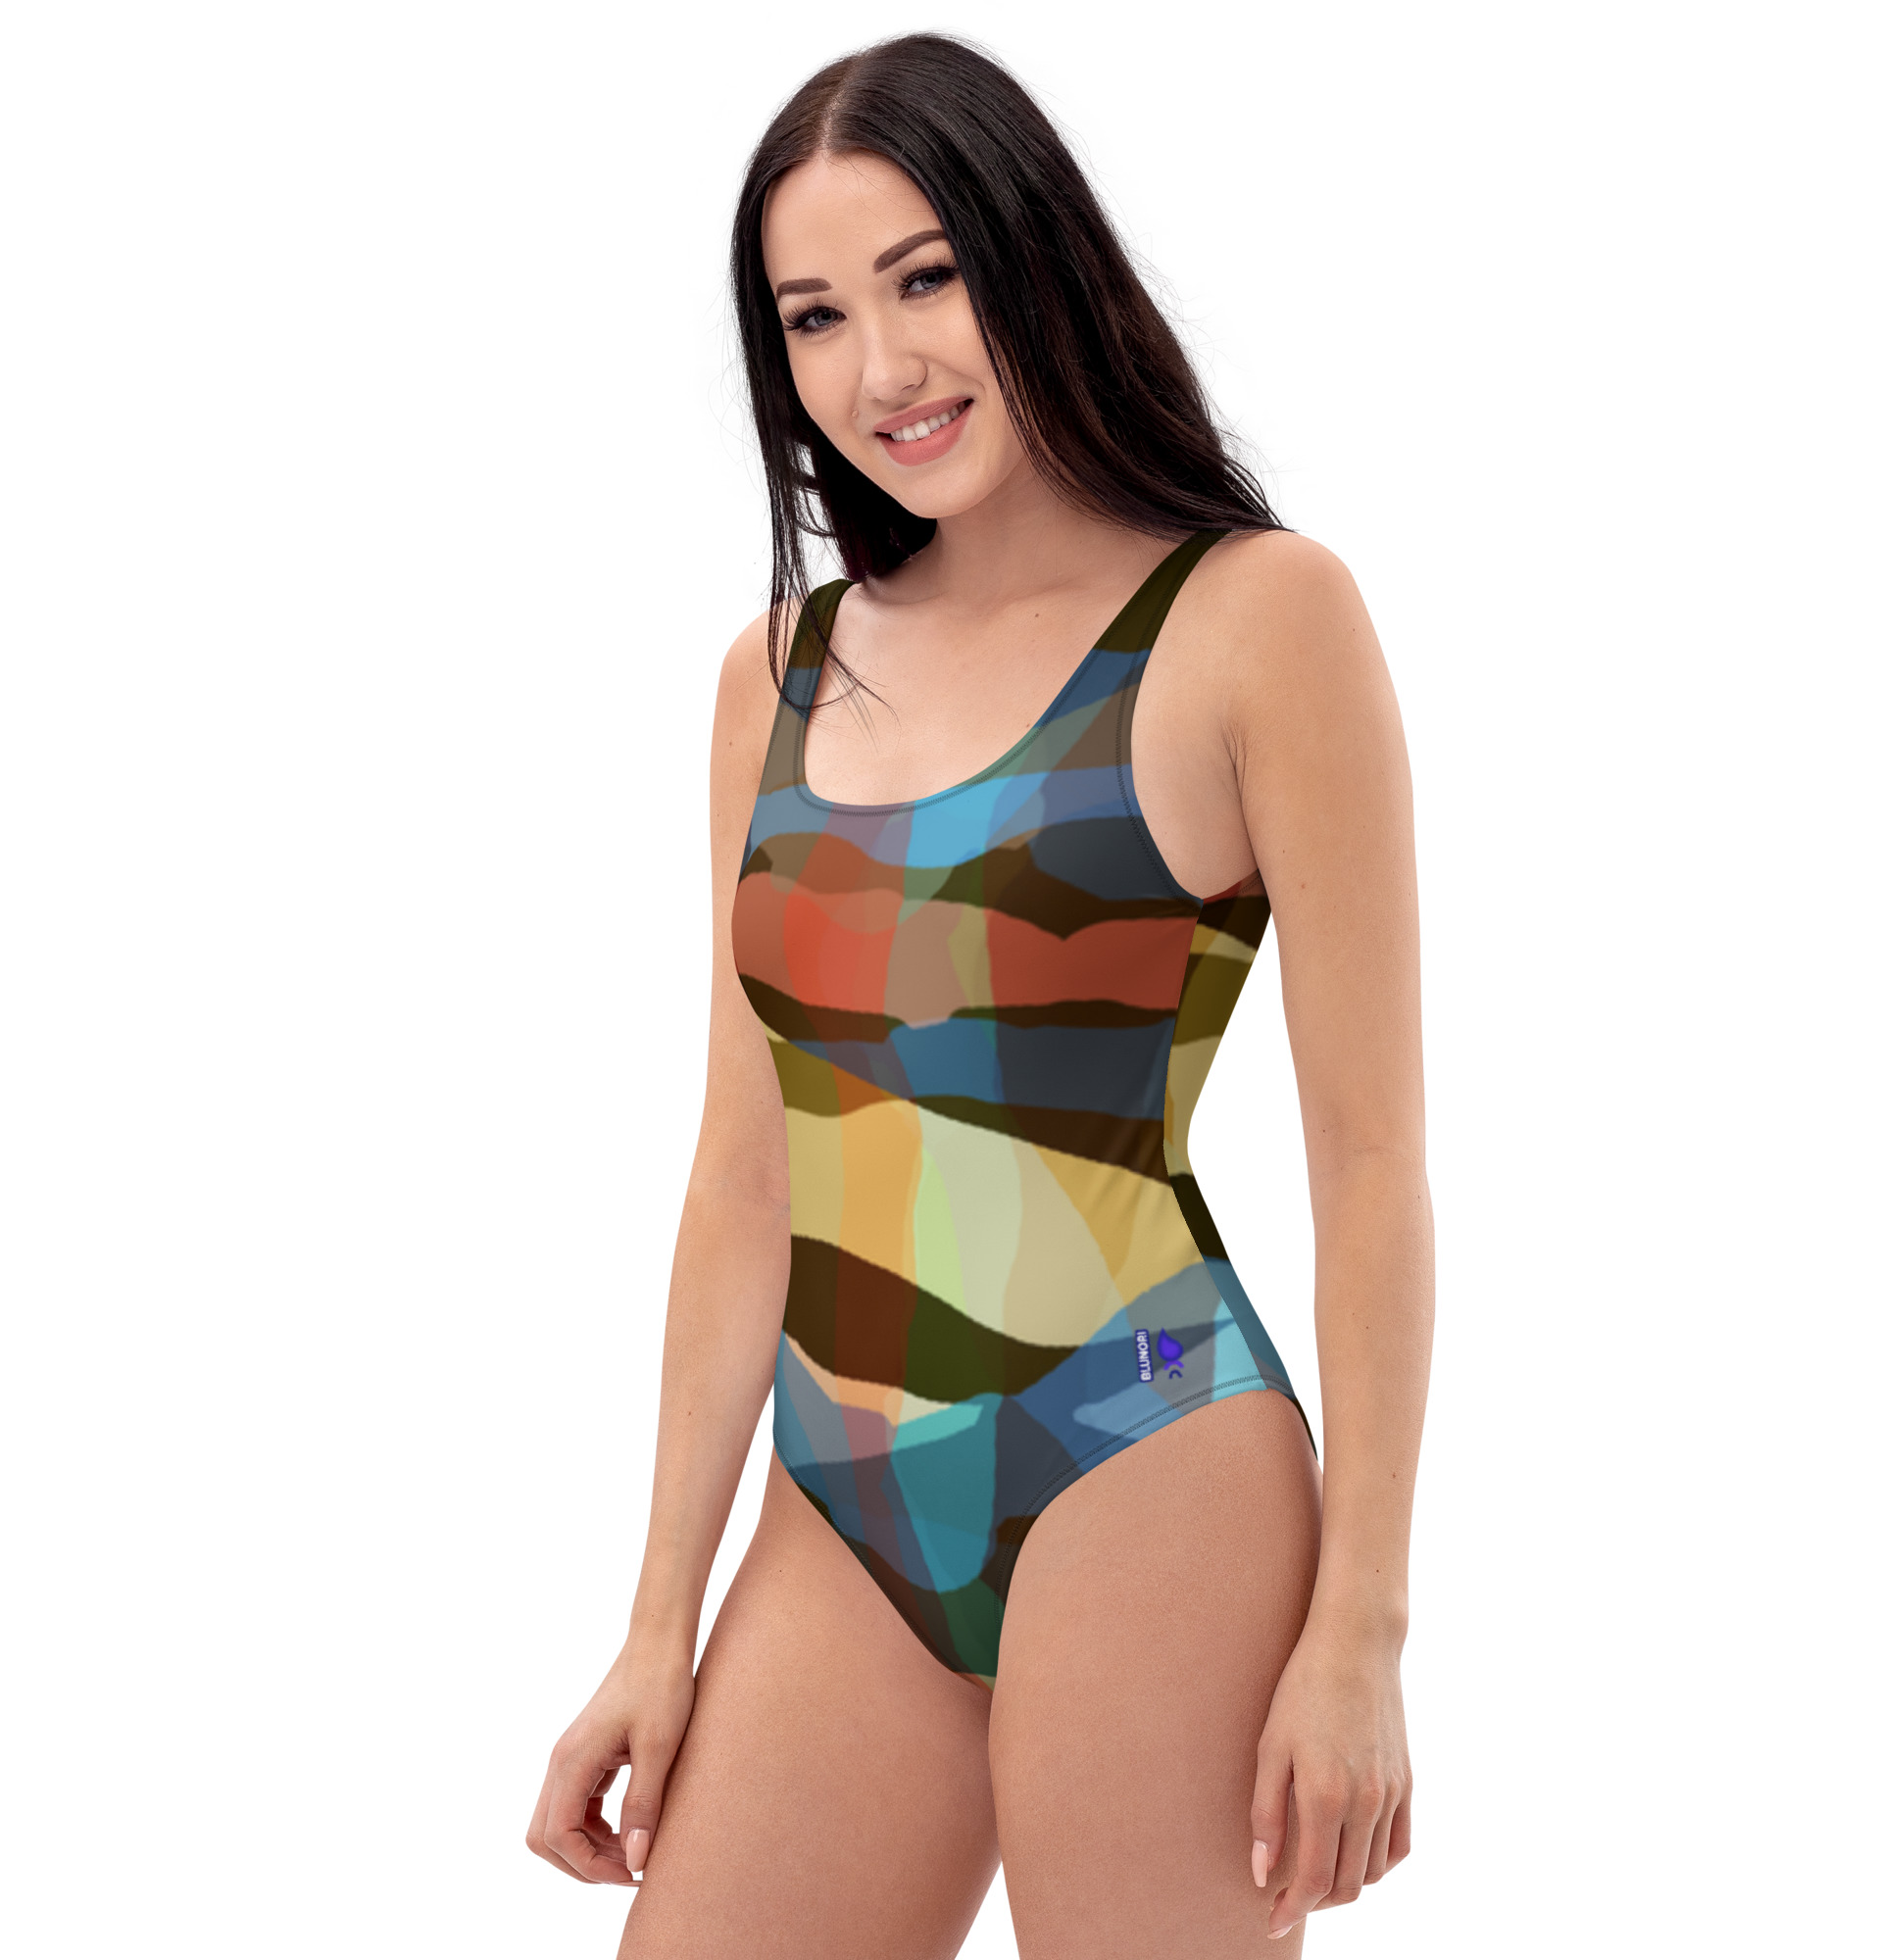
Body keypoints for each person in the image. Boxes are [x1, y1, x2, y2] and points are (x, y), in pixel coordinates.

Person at [525, 31, 1433, 1956]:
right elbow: (746, 1175)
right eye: (816, 316)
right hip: (843, 1492)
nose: (884, 368)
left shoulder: (1254, 618)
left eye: (924, 278)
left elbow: (1368, 1166)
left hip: (1144, 1442)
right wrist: (654, 1623)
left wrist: (1360, 1625)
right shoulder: (776, 675)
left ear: (1033, 253)